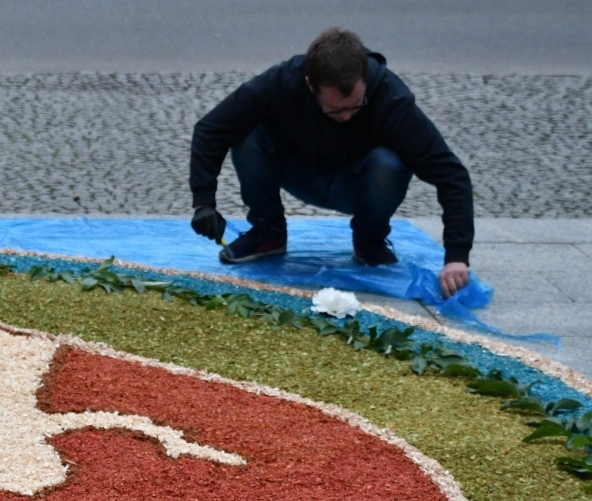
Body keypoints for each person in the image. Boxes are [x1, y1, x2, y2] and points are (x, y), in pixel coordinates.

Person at [188, 28, 474, 298]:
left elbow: (451, 174)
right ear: (310, 84)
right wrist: (204, 203)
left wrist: (457, 258)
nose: (348, 116)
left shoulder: (391, 98)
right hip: (299, 172)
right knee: (248, 135)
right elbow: (211, 129)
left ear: (365, 79)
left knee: (389, 163)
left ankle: (369, 241)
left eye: (355, 105)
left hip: (360, 185)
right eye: (336, 109)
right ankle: (268, 233)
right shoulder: (281, 82)